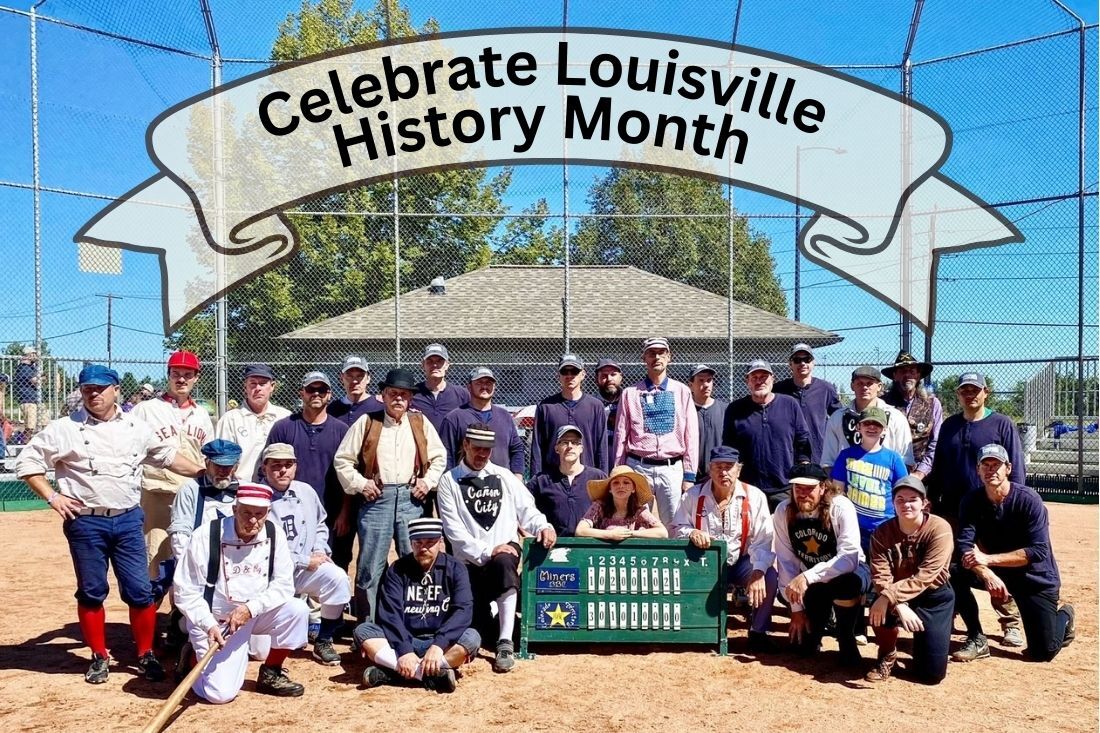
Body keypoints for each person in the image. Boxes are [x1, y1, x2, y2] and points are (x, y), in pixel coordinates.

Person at [15, 364, 203, 684]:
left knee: (140, 591)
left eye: (101, 387)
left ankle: (145, 654)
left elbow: (167, 457)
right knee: (91, 592)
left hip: (128, 519)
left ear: (115, 389)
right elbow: (28, 463)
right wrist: (53, 497)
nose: (94, 393)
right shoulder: (65, 428)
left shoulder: (134, 426)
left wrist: (203, 473)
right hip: (85, 521)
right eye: (88, 387)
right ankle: (99, 655)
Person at [436, 423, 557, 673]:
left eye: (487, 450)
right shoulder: (449, 481)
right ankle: (492, 625)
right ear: (465, 445)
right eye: (477, 448)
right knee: (476, 628)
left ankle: (505, 642)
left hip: (504, 556)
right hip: (468, 562)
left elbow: (527, 509)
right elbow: (453, 531)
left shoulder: (504, 477)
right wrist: (486, 550)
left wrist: (543, 525)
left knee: (504, 562)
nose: (482, 455)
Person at [172, 483, 310, 702]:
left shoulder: (275, 534)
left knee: (298, 610)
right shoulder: (206, 535)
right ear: (235, 509)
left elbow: (284, 585)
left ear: (268, 513)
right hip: (214, 619)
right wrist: (208, 624)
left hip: (253, 613)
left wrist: (250, 609)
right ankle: (190, 659)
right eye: (246, 513)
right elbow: (184, 590)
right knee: (219, 694)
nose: (253, 521)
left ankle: (271, 672)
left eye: (259, 514)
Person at [334, 367, 447, 623]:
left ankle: (413, 623)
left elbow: (440, 457)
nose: (398, 399)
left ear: (410, 398)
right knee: (370, 565)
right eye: (393, 393)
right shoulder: (367, 422)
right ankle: (368, 627)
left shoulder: (419, 423)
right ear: (382, 395)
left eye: (404, 395)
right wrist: (362, 483)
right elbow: (342, 460)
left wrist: (427, 482)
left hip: (412, 500)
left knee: (417, 560)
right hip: (377, 500)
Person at [950, 444, 1075, 664]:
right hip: (998, 573)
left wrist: (988, 560)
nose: (991, 470)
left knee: (1043, 653)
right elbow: (964, 546)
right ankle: (977, 638)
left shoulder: (1029, 500)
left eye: (996, 465)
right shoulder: (971, 501)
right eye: (985, 465)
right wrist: (986, 573)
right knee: (952, 573)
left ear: (1008, 468)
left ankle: (1065, 616)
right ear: (978, 470)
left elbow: (1038, 551)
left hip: (1035, 578)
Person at [927, 371, 1026, 647]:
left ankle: (1010, 622)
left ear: (986, 392)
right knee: (952, 566)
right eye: (964, 390)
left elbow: (1015, 468)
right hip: (952, 509)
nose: (970, 394)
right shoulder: (949, 426)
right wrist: (932, 499)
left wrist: (1010, 504)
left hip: (989, 510)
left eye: (975, 389)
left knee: (992, 564)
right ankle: (954, 615)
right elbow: (938, 468)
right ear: (958, 394)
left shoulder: (1001, 424)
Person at [354, 518, 480, 692]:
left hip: (440, 642)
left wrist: (438, 645)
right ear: (411, 543)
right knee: (364, 631)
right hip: (405, 639)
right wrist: (404, 650)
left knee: (471, 638)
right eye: (418, 542)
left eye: (430, 542)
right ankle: (429, 675)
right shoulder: (398, 569)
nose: (424, 548)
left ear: (441, 542)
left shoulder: (456, 568)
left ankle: (394, 674)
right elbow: (390, 613)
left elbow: (463, 610)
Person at [671, 446, 776, 650]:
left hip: (741, 561)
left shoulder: (755, 496)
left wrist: (758, 571)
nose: (723, 472)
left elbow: (764, 538)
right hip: (703, 564)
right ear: (710, 470)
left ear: (739, 470)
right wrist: (691, 533)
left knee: (769, 577)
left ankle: (758, 631)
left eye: (729, 467)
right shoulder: (692, 496)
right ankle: (692, 628)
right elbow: (676, 527)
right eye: (718, 467)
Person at [262, 443, 352, 666]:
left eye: (288, 465)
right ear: (264, 468)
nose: (283, 470)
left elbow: (321, 524)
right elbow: (262, 549)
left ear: (295, 467)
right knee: (259, 653)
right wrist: (304, 560)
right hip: (267, 578)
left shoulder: (305, 491)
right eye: (276, 466)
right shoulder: (257, 497)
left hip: (303, 570)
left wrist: (320, 549)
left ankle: (323, 640)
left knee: (337, 577)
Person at [773, 463, 869, 666]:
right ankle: (816, 630)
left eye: (810, 488)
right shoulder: (783, 511)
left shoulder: (841, 506)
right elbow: (786, 562)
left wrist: (807, 577)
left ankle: (846, 638)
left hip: (849, 571)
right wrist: (796, 610)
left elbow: (849, 557)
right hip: (812, 575)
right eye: (798, 488)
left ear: (823, 487)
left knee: (846, 584)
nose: (803, 493)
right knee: (803, 648)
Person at [132, 350, 214, 577]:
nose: (181, 379)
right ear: (168, 375)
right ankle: (150, 609)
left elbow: (207, 455)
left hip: (191, 495)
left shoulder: (202, 415)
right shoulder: (146, 410)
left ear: (196, 378)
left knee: (192, 556)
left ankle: (181, 611)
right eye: (176, 373)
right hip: (156, 492)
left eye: (188, 374)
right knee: (154, 558)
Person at [865, 475, 954, 684]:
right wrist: (896, 603)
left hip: (933, 595)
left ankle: (925, 648)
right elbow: (880, 574)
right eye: (900, 500)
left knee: (931, 675)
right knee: (877, 605)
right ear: (893, 503)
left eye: (913, 499)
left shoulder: (939, 529)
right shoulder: (881, 533)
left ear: (924, 503)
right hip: (894, 592)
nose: (906, 504)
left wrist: (890, 596)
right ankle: (887, 653)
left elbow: (926, 576)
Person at [265, 371, 351, 569]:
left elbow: (348, 476)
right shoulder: (284, 427)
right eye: (311, 389)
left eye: (322, 390)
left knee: (334, 563)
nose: (317, 394)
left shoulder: (341, 430)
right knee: (289, 561)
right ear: (301, 393)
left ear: (330, 394)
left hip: (332, 509)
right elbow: (268, 470)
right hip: (290, 509)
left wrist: (344, 513)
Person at [613, 337, 699, 525]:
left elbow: (691, 436)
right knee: (635, 523)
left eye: (661, 353)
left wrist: (689, 475)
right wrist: (619, 471)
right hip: (638, 467)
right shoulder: (630, 393)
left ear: (669, 357)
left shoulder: (682, 391)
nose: (656, 357)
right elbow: (621, 435)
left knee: (675, 524)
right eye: (651, 353)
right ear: (644, 358)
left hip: (672, 469)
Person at [722, 359, 812, 511]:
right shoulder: (735, 409)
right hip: (748, 488)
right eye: (754, 377)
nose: (759, 381)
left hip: (784, 488)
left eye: (764, 377)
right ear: (747, 381)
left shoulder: (790, 404)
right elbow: (729, 448)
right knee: (749, 533)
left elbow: (802, 441)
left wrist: (801, 475)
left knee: (785, 532)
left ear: (772, 379)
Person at [829, 407, 909, 553]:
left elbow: (904, 492)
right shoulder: (846, 455)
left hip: (886, 527)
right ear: (858, 427)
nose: (872, 427)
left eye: (877, 424)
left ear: (884, 430)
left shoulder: (893, 458)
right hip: (854, 528)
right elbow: (837, 493)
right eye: (867, 423)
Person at [821, 366, 914, 472]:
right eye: (860, 383)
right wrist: (837, 486)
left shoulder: (896, 418)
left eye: (869, 383)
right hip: (845, 484)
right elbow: (828, 462)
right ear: (852, 386)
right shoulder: (837, 418)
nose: (864, 387)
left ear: (879, 386)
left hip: (885, 485)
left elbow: (906, 461)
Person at [439, 367, 526, 480]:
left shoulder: (505, 416)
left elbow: (516, 449)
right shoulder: (454, 418)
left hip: (500, 484)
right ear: (469, 387)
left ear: (494, 387)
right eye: (479, 382)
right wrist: (450, 482)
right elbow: (446, 454)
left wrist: (517, 475)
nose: (484, 386)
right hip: (466, 485)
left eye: (489, 383)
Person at [531, 354, 609, 475]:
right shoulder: (546, 407)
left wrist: (603, 479)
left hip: (586, 477)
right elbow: (537, 447)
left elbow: (601, 447)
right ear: (558, 376)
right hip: (553, 479)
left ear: (583, 374)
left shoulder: (595, 406)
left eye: (574, 371)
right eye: (564, 372)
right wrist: (536, 480)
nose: (569, 376)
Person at [528, 425, 607, 537]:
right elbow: (523, 509)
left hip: (591, 546)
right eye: (564, 442)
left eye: (575, 442)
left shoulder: (598, 477)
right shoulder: (541, 481)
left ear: (581, 449)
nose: (570, 446)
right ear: (556, 448)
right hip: (552, 547)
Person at [215, 364, 290, 482]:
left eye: (263, 383)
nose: (258, 388)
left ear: (272, 386)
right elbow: (222, 459)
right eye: (253, 383)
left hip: (276, 490)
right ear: (245, 387)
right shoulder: (231, 419)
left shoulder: (285, 417)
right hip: (240, 488)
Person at [773, 343, 842, 465]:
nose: (802, 363)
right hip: (787, 455)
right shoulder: (779, 390)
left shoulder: (825, 388)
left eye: (807, 359)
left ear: (813, 363)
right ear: (790, 364)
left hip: (817, 453)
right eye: (797, 360)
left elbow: (839, 417)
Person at [882, 351, 943, 480]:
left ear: (919, 375)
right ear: (894, 376)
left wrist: (921, 472)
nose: (907, 375)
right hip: (887, 473)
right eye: (902, 371)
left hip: (923, 475)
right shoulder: (883, 404)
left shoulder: (932, 404)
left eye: (912, 371)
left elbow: (936, 442)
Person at [575, 464, 667, 540]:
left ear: (633, 489)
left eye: (626, 483)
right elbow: (580, 530)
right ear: (610, 489)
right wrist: (610, 534)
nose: (621, 486)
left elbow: (662, 532)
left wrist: (629, 533)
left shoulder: (639, 510)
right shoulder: (599, 506)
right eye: (616, 483)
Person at [411, 343, 470, 432]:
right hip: (421, 445)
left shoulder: (462, 394)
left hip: (451, 446)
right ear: (423, 365)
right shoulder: (412, 393)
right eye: (430, 361)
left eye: (439, 361)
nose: (435, 365)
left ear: (447, 365)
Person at [688, 364, 730, 480]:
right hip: (691, 476)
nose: (705, 385)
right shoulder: (685, 410)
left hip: (720, 475)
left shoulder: (726, 410)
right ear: (691, 385)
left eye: (709, 380)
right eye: (701, 380)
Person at [329, 355, 381, 427]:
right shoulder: (332, 409)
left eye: (360, 376)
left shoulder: (380, 407)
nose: (354, 381)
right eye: (349, 376)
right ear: (341, 378)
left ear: (368, 378)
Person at [595, 357, 624, 458]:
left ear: (621, 377)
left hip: (624, 456)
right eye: (604, 375)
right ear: (596, 379)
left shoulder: (630, 401)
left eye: (613, 374)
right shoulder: (591, 405)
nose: (609, 379)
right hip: (599, 455)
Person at [14, 345, 40, 438]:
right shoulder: (24, 367)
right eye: (34, 354)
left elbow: (37, 380)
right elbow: (34, 381)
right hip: (27, 399)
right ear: (29, 354)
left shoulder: (32, 367)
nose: (36, 356)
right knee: (30, 426)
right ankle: (24, 442)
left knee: (36, 425)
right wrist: (42, 378)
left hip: (33, 399)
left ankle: (23, 439)